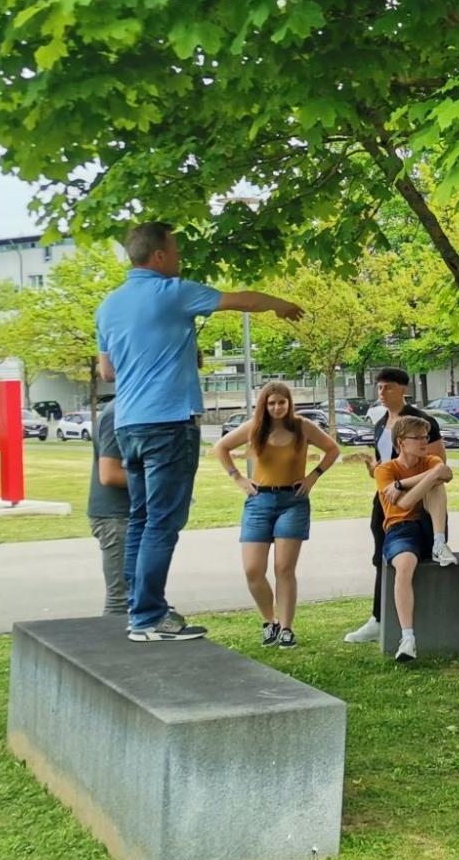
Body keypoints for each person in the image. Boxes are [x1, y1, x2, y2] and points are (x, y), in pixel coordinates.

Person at [94, 222, 303, 642]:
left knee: (140, 518)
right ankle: (150, 616)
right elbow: (241, 299)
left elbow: (107, 370)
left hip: (127, 423)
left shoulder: (108, 306)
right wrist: (279, 303)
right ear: (158, 256)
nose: (179, 258)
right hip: (167, 422)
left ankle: (140, 609)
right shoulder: (172, 292)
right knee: (162, 521)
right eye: (175, 250)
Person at [213, 380, 341, 648]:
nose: (277, 407)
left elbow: (332, 449)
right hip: (259, 501)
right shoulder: (255, 427)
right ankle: (269, 621)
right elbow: (221, 448)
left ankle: (286, 628)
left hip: (293, 501)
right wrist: (238, 478)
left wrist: (313, 476)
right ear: (264, 405)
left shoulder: (302, 426)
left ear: (289, 403)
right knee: (252, 570)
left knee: (284, 568)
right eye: (271, 403)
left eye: (281, 402)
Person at [343, 368, 449, 644]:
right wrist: (378, 471)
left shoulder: (421, 422)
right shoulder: (380, 422)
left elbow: (437, 468)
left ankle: (412, 623)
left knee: (416, 556)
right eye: (379, 387)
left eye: (388, 387)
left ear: (404, 389)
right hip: (386, 499)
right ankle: (379, 618)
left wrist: (402, 485)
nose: (381, 392)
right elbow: (389, 463)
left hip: (421, 501)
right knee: (381, 555)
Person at [373, 415, 457, 663]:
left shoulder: (430, 460)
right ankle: (407, 637)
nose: (424, 442)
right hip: (400, 528)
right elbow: (405, 502)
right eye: (418, 437)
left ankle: (440, 544)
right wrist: (432, 476)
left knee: (437, 486)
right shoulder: (385, 469)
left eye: (426, 437)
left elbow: (446, 472)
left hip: (431, 525)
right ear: (401, 442)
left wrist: (404, 483)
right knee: (405, 565)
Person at [87, 398, 130, 617]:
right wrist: (161, 483)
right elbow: (110, 474)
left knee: (138, 595)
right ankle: (113, 650)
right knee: (120, 601)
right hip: (116, 517)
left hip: (130, 514)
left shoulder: (132, 407)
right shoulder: (117, 412)